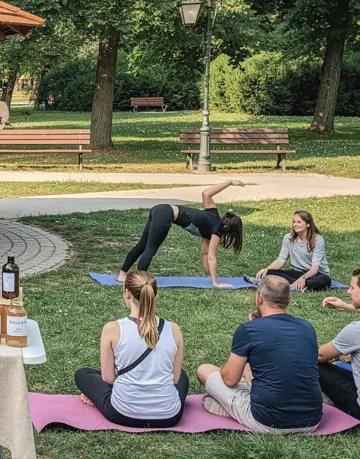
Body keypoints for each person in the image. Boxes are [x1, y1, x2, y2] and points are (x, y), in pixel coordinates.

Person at [197, 275, 323, 433]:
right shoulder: (307, 328)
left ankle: (230, 410)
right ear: (289, 300)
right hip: (312, 420)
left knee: (204, 370)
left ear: (259, 298)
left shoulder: (248, 330)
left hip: (267, 421)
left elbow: (229, 379)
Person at [74, 271, 188, 427]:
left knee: (83, 374)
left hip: (123, 413)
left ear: (127, 293)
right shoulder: (174, 329)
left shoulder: (112, 328)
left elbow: (108, 378)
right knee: (183, 376)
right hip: (169, 416)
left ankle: (99, 397)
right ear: (156, 295)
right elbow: (174, 379)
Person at [117, 181, 245, 288]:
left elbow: (205, 252)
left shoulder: (213, 216)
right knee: (150, 250)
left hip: (160, 209)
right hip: (165, 214)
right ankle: (139, 281)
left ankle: (122, 275)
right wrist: (215, 283)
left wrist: (209, 276)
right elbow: (212, 256)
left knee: (142, 246)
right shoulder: (216, 231)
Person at [316, 268, 360, 419]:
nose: (348, 291)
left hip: (357, 406)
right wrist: (346, 306)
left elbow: (319, 356)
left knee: (313, 364)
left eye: (352, 287)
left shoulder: (355, 330)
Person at [252, 210, 330, 292]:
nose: (295, 225)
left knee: (323, 281)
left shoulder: (318, 239)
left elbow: (315, 268)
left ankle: (291, 286)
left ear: (308, 224)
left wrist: (303, 278)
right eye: (294, 222)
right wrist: (266, 270)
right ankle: (297, 286)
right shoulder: (288, 237)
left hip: (316, 274)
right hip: (296, 273)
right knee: (269, 273)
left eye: (299, 222)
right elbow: (280, 260)